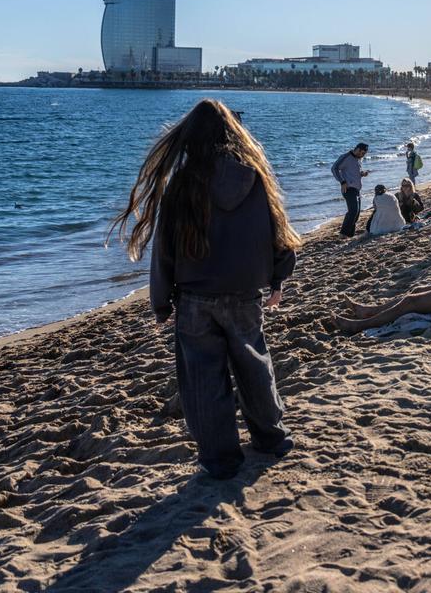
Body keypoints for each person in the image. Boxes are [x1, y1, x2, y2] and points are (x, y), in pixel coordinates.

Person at [109, 99, 301, 479]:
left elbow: (165, 246)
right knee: (254, 366)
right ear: (232, 133)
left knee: (203, 378)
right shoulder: (253, 175)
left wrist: (160, 302)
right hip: (245, 293)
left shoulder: (183, 183)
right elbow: (277, 230)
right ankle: (271, 437)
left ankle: (220, 458)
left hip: (195, 298)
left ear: (189, 138)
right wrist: (279, 276)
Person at [332, 142, 370, 237]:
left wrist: (362, 173)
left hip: (357, 189)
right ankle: (343, 233)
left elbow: (353, 172)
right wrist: (342, 182)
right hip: (348, 189)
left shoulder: (358, 159)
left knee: (356, 213)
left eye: (364, 154)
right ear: (357, 149)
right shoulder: (346, 157)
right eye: (362, 153)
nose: (363, 155)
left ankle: (350, 234)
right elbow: (334, 168)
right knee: (353, 211)